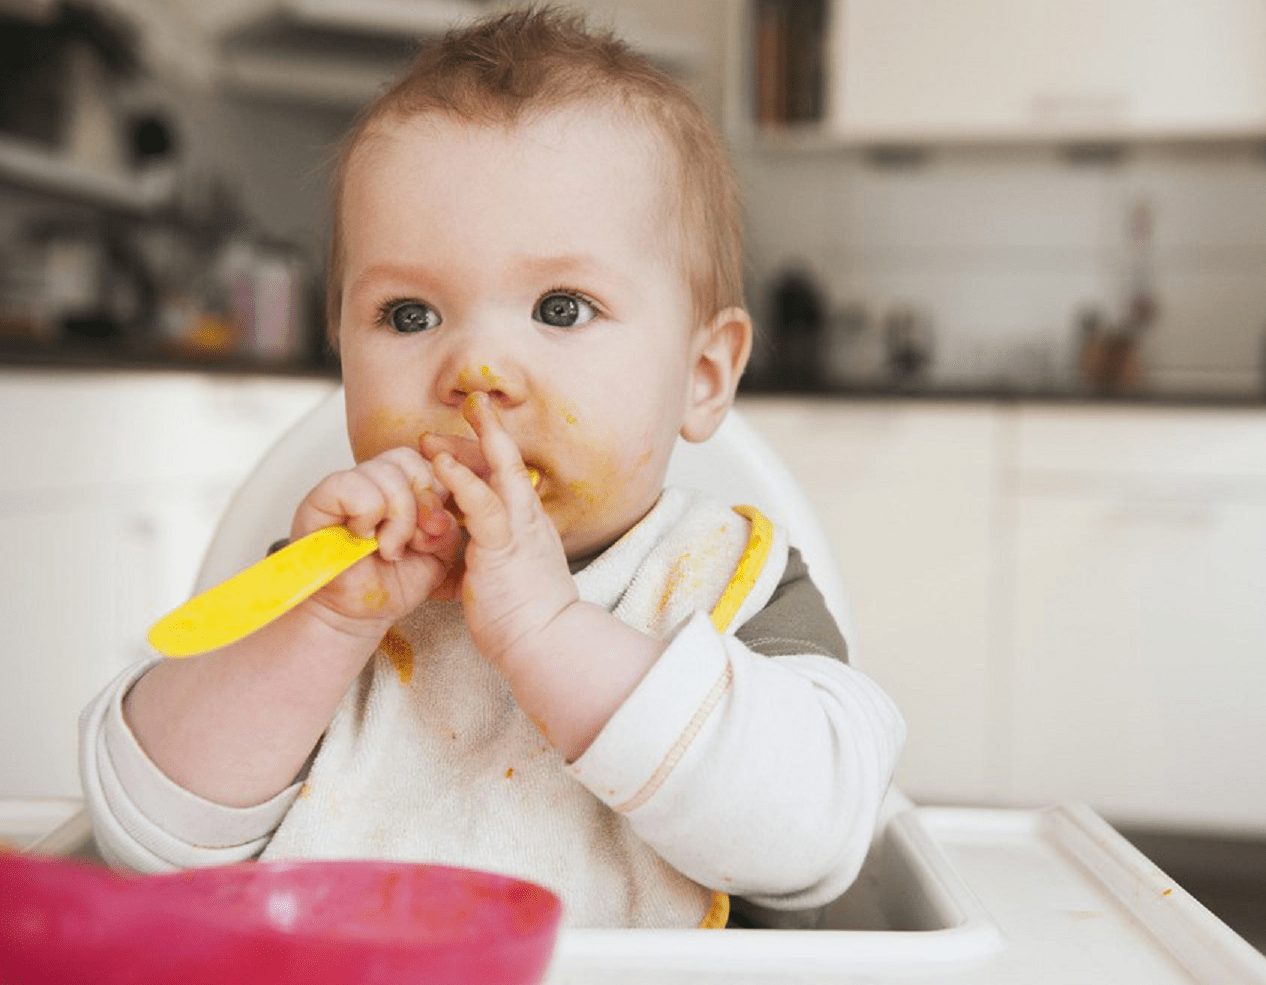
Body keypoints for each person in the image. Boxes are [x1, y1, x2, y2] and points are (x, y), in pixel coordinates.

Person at [79, 6, 905, 929]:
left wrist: (550, 632)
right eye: (408, 315)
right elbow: (143, 839)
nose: (474, 371)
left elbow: (824, 833)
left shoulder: (728, 583)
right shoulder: (327, 589)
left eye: (560, 308)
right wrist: (315, 629)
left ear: (702, 375)